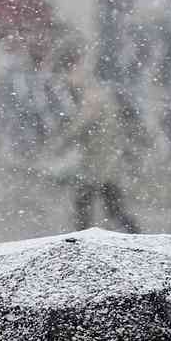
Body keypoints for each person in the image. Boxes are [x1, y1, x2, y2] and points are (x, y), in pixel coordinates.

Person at [60, 59, 142, 234]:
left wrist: (62, 142)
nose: (67, 79)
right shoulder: (96, 93)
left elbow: (81, 126)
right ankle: (134, 237)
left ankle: (83, 242)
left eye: (70, 73)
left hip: (100, 164)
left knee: (90, 208)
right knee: (107, 208)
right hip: (102, 162)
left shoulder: (92, 94)